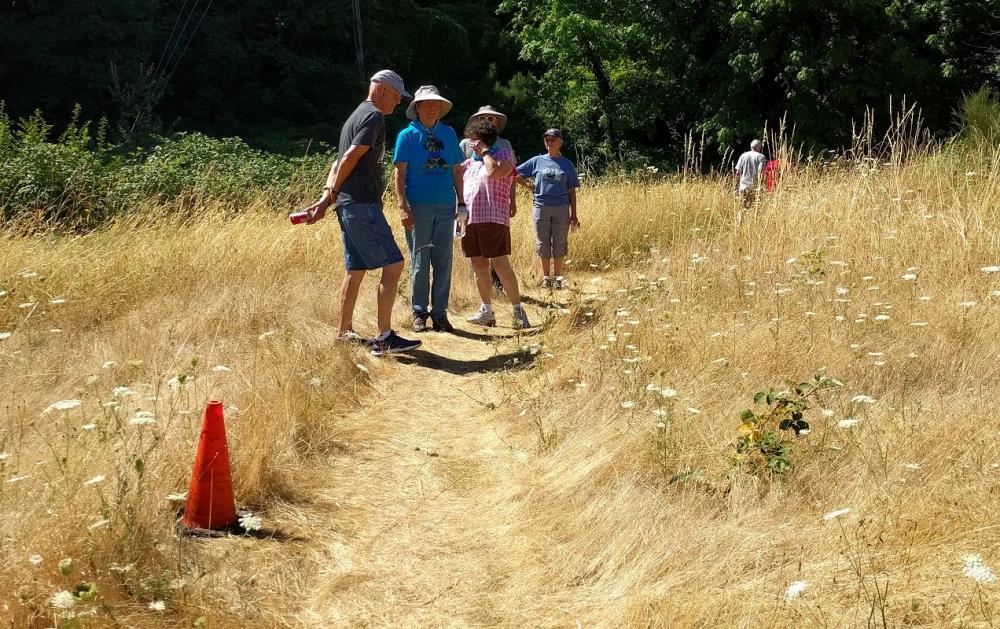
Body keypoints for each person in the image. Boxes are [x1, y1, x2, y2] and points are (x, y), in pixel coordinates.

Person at [301, 70, 421, 356]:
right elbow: (352, 155)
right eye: (395, 95)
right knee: (394, 264)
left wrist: (326, 199)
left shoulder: (354, 116)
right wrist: (328, 196)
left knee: (355, 270)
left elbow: (337, 161)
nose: (397, 102)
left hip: (346, 204)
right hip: (361, 203)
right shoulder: (373, 116)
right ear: (379, 89)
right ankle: (384, 338)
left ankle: (343, 333)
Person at [393, 85, 465, 334]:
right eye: (427, 104)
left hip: (446, 205)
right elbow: (399, 174)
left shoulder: (448, 133)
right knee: (420, 261)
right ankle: (419, 312)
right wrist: (402, 206)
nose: (432, 108)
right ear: (417, 108)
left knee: (444, 260)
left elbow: (457, 169)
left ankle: (440, 314)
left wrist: (462, 202)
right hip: (418, 206)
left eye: (436, 104)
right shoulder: (407, 135)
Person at [459, 118, 530, 329]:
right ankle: (487, 311)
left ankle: (518, 311)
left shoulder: (503, 157)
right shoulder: (470, 164)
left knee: (500, 264)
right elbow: (455, 176)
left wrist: (486, 152)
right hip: (470, 220)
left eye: (475, 141)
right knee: (478, 265)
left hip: (493, 218)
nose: (471, 145)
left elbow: (494, 172)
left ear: (483, 141)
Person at [460, 106, 517, 293]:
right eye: (483, 118)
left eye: (491, 118)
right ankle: (485, 301)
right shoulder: (465, 144)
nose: (487, 121)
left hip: (494, 207)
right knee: (477, 258)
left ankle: (501, 289)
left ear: (497, 122)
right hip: (470, 209)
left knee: (498, 257)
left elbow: (509, 174)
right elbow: (459, 173)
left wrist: (512, 199)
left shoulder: (504, 146)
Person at [516, 128, 579, 290]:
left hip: (561, 208)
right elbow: (515, 173)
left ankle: (557, 278)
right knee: (543, 243)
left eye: (553, 140)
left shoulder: (567, 164)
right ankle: (546, 278)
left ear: (560, 142)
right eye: (547, 140)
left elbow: (572, 191)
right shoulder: (537, 160)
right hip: (541, 206)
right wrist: (527, 185)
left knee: (559, 242)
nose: (549, 143)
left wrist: (574, 215)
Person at [734, 139, 767, 209]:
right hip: (754, 187)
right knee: (754, 209)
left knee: (742, 208)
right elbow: (760, 173)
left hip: (743, 187)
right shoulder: (761, 157)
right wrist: (761, 186)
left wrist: (737, 186)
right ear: (759, 147)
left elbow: (737, 173)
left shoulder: (743, 155)